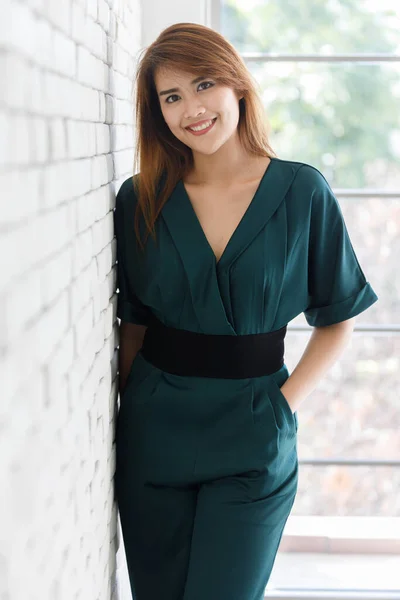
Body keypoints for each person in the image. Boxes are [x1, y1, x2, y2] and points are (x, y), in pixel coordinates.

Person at [113, 22, 378, 600]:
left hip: (253, 434)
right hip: (155, 436)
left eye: (203, 84)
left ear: (236, 86)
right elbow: (132, 327)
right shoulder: (141, 199)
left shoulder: (303, 192)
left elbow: (338, 317)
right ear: (157, 112)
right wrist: (131, 413)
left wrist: (281, 409)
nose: (192, 109)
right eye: (172, 96)